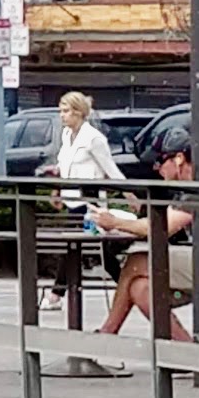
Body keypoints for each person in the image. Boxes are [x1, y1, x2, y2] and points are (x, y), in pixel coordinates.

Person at [93, 128, 199, 339]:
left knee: (136, 262)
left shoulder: (198, 189)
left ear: (179, 158)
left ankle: (106, 335)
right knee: (140, 289)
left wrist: (115, 222)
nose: (157, 168)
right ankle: (187, 352)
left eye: (161, 161)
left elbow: (159, 228)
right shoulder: (189, 188)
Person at [42, 91, 126, 311]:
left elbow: (110, 169)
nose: (62, 116)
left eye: (66, 111)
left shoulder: (94, 138)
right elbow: (63, 167)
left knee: (77, 246)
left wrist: (130, 193)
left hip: (90, 202)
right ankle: (128, 285)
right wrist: (56, 190)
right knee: (99, 251)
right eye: (60, 111)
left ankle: (55, 294)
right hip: (72, 199)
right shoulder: (66, 135)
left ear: (78, 112)